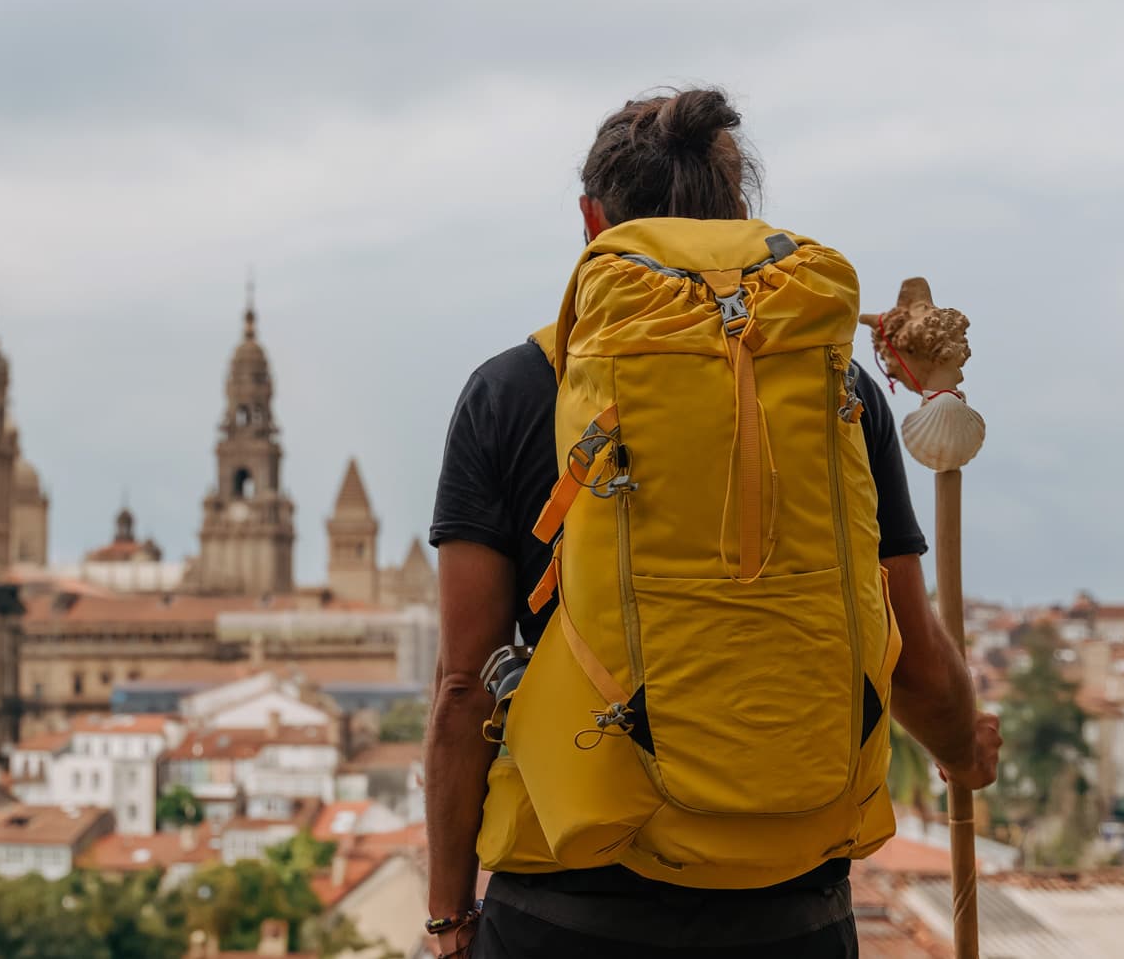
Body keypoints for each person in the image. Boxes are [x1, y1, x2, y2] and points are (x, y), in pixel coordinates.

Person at [422, 87, 1001, 958]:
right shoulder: (836, 387)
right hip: (791, 910)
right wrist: (965, 745)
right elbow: (909, 653)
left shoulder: (512, 390)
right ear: (740, 215)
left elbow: (464, 689)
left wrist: (449, 915)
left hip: (568, 909)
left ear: (593, 222)